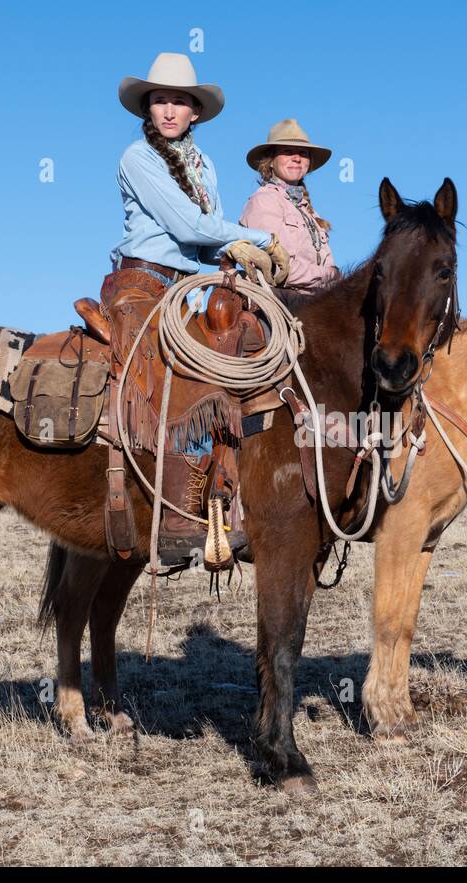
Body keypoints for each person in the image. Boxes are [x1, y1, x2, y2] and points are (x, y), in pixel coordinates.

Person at [110, 52, 289, 564]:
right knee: (188, 378)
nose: (169, 110)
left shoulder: (204, 164)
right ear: (148, 108)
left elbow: (207, 238)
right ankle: (177, 518)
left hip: (190, 286)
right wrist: (256, 236)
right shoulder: (136, 159)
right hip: (142, 283)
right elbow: (188, 226)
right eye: (161, 100)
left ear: (195, 112)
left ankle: (239, 505)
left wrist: (240, 253)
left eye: (180, 102)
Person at [240, 119, 338, 291]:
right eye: (287, 151)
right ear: (270, 161)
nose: (297, 158)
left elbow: (329, 266)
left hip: (315, 299)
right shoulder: (264, 200)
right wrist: (330, 276)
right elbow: (279, 268)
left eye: (302, 152)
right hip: (279, 298)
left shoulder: (311, 213)